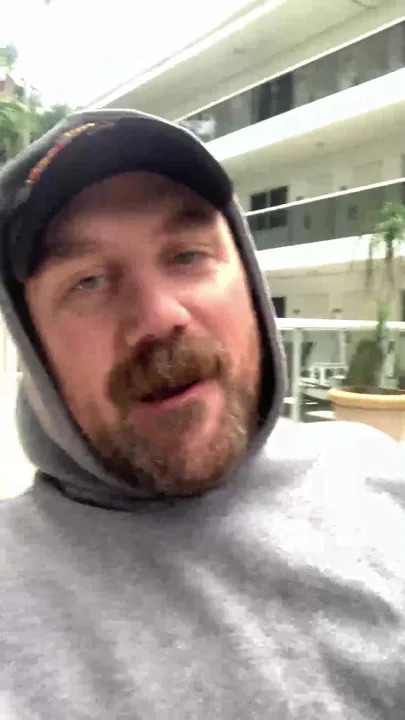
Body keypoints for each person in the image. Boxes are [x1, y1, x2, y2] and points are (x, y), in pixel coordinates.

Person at [0, 109, 404, 719]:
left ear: (248, 279)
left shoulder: (378, 483)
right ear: (35, 347)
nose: (158, 316)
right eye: (88, 282)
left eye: (187, 255)